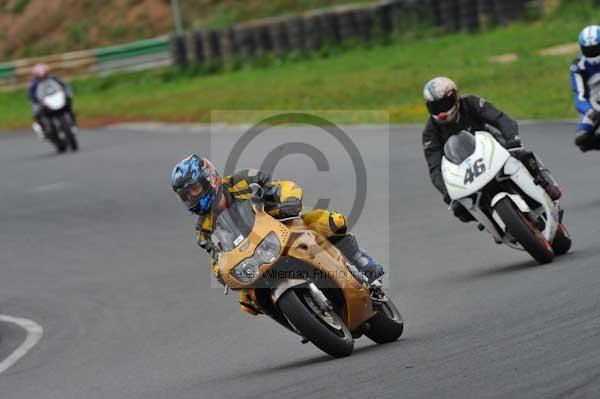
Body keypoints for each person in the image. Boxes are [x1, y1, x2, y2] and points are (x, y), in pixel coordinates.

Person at [171, 155, 384, 312]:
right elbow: (216, 260)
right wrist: (221, 274)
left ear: (210, 178)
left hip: (280, 224)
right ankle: (295, 315)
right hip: (250, 259)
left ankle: (360, 261)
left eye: (195, 189)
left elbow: (281, 187)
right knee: (247, 303)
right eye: (185, 195)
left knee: (329, 221)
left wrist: (289, 202)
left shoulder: (241, 180)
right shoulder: (203, 230)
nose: (192, 197)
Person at [421, 77, 562, 222]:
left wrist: (513, 141)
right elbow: (435, 168)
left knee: (521, 154)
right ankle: (491, 220)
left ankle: (544, 182)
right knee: (460, 211)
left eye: (445, 104)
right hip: (466, 169)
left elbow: (501, 118)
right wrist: (447, 192)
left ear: (455, 97)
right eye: (436, 107)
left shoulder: (471, 102)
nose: (442, 112)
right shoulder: (429, 133)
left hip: (492, 146)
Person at [571, 25, 600, 152]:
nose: (592, 53)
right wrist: (590, 111)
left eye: (596, 49)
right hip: (595, 107)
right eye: (589, 50)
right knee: (582, 140)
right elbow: (579, 96)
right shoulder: (578, 66)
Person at [28, 63, 75, 137]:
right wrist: (35, 102)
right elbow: (31, 96)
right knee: (37, 113)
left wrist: (67, 93)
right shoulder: (33, 84)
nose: (43, 78)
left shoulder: (53, 78)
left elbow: (64, 85)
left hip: (56, 98)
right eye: (40, 77)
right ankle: (43, 130)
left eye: (45, 75)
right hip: (43, 102)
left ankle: (72, 122)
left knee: (69, 103)